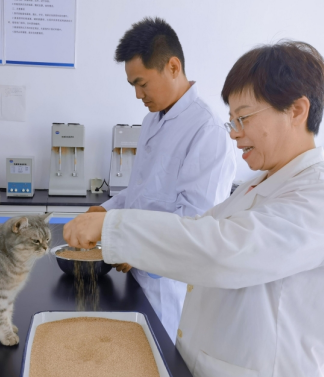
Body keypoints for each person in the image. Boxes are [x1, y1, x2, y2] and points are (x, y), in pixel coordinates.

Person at [64, 41, 324, 377]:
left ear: (296, 110)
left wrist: (114, 228)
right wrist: (114, 222)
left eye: (244, 118)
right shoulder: (257, 185)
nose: (234, 132)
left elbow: (224, 251)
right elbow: (200, 229)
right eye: (231, 119)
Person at [90, 17, 236, 342]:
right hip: (138, 277)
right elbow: (140, 193)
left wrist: (134, 246)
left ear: (172, 67)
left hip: (170, 288)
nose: (138, 94)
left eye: (142, 83)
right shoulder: (152, 121)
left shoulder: (207, 131)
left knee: (163, 359)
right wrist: (104, 212)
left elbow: (195, 227)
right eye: (133, 86)